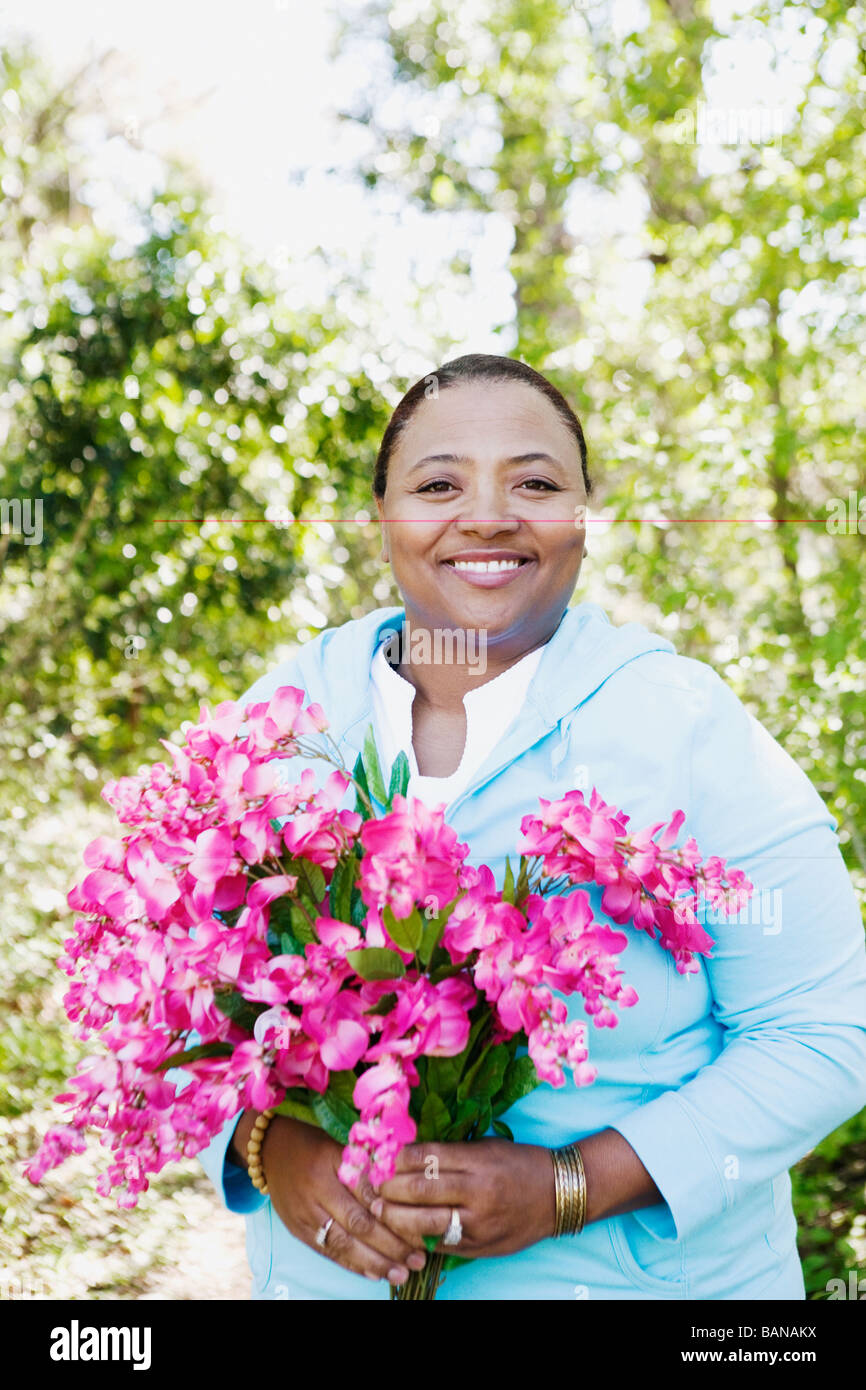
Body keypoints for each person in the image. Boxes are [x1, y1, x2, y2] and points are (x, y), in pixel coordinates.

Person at [195, 353, 866, 1299]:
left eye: (536, 484)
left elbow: (827, 1033)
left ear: (583, 519)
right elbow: (181, 1006)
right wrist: (272, 1146)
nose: (487, 518)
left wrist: (573, 1186)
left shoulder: (688, 727)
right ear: (380, 517)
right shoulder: (282, 718)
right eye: (439, 485)